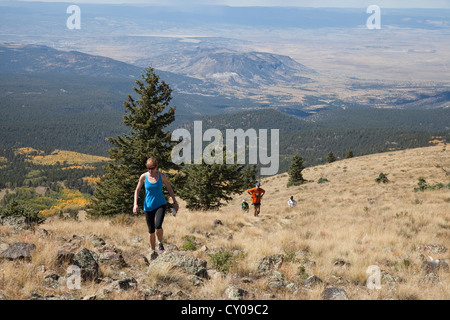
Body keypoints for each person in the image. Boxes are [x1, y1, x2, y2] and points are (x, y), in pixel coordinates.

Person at [133, 157, 179, 260]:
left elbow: (169, 188)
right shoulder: (143, 177)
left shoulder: (162, 176)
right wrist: (135, 204)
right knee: (151, 231)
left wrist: (175, 202)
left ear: (156, 167)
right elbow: (137, 190)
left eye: (152, 168)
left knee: (158, 226)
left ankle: (160, 243)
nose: (150, 170)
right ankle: (153, 252)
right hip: (148, 206)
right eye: (148, 168)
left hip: (160, 204)